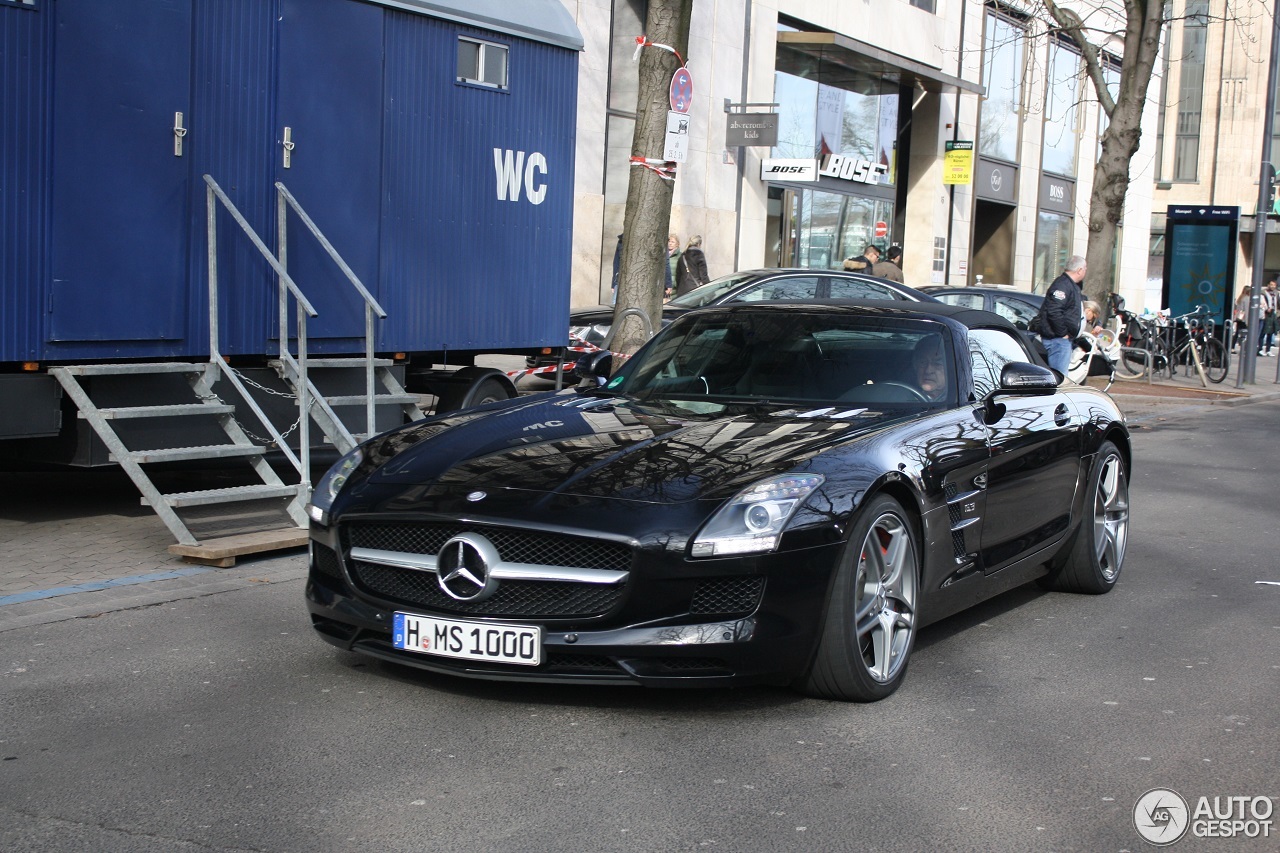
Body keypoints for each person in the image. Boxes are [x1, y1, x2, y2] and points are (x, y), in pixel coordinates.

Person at [1036, 255, 1087, 377]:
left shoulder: (1070, 285)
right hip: (1057, 340)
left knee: (1059, 377)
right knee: (1059, 378)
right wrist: (1063, 333)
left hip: (1061, 340)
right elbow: (1054, 311)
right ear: (1079, 270)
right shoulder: (1062, 285)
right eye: (1085, 269)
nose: (1085, 271)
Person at [911, 335, 948, 401]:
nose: (928, 371)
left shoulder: (958, 401)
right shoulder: (902, 397)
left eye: (937, 363)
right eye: (922, 362)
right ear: (915, 366)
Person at [1258, 279, 1278, 357]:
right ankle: (1260, 349)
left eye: (1274, 285)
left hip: (1273, 314)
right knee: (1263, 332)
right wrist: (1266, 309)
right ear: (1268, 285)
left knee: (1271, 332)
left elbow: (1277, 303)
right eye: (1271, 284)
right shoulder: (1264, 293)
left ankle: (1268, 350)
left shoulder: (1276, 293)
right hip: (1266, 314)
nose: (1273, 286)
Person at [1232, 284, 1252, 353]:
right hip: (1243, 318)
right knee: (1244, 333)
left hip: (1238, 318)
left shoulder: (1240, 298)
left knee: (1237, 333)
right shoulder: (1247, 298)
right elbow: (1246, 310)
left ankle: (1232, 347)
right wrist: (1247, 321)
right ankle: (1244, 347)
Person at [666, 234, 681, 300]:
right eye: (669, 241)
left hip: (674, 288)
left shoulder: (680, 256)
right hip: (664, 287)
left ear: (677, 244)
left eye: (673, 242)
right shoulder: (664, 254)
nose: (670, 243)